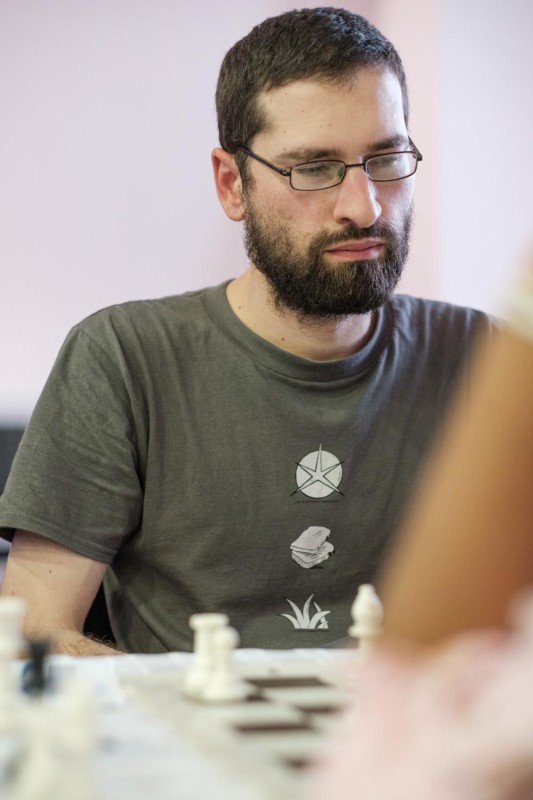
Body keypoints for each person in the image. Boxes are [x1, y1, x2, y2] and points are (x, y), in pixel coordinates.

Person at [0, 7, 492, 656]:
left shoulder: (482, 359)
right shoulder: (123, 357)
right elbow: (32, 631)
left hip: (406, 720)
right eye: (313, 167)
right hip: (187, 719)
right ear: (232, 185)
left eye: (385, 158)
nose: (364, 205)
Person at [311, 262, 533, 799]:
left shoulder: (477, 339)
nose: (365, 217)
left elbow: (410, 731)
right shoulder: (129, 348)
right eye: (314, 171)